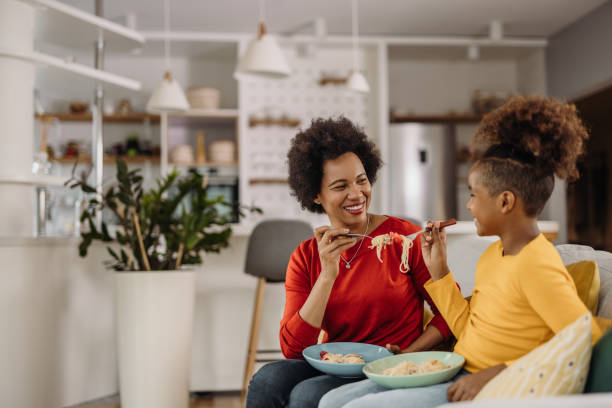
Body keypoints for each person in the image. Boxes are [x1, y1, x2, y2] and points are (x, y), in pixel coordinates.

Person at [319, 96, 604, 408]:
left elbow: (582, 338)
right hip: (455, 369)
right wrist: (440, 272)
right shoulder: (493, 255)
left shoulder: (538, 265)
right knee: (333, 401)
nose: (468, 205)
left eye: (473, 195)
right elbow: (468, 328)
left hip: (485, 385)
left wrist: (496, 373)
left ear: (505, 202)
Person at [246, 117, 453, 408]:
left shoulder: (404, 239)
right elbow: (294, 349)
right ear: (316, 195)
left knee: (305, 396)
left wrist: (409, 352)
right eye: (340, 185)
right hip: (336, 363)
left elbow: (450, 312)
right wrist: (327, 275)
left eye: (362, 180)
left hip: (387, 364)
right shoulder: (306, 256)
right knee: (267, 379)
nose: (356, 194)